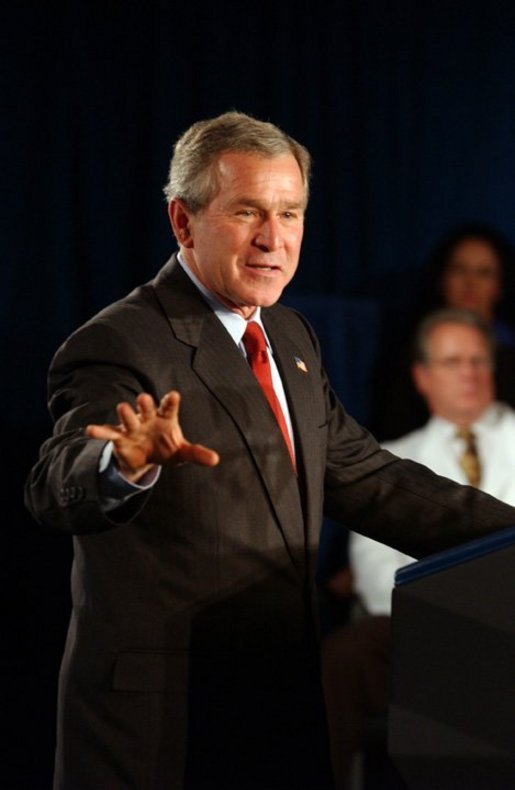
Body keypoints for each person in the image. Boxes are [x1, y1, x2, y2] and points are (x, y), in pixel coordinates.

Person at [24, 112, 515, 790]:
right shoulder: (121, 342)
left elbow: (371, 478)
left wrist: (511, 540)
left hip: (277, 706)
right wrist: (123, 463)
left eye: (290, 213)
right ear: (182, 221)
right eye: (247, 211)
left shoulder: (290, 338)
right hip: (166, 723)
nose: (272, 239)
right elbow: (56, 482)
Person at [322, 307, 515, 789]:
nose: (470, 373)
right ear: (422, 377)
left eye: (478, 361)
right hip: (424, 635)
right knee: (347, 654)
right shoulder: (391, 459)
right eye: (454, 362)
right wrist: (459, 610)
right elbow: (373, 573)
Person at [370, 222, 515, 441]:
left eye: (484, 273)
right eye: (459, 270)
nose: (470, 283)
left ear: (500, 286)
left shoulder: (509, 354)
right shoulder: (404, 356)